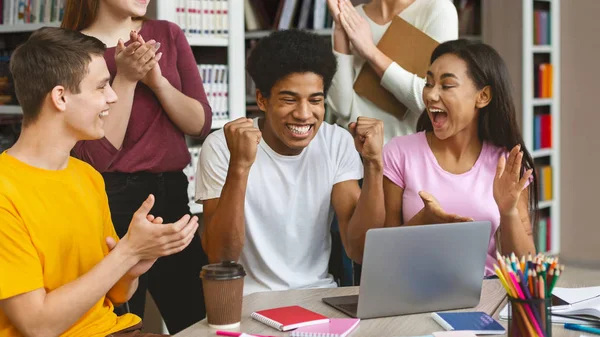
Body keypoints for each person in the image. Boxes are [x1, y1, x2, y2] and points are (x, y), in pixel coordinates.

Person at [0, 27, 199, 337]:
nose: (113, 96)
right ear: (61, 97)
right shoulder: (5, 191)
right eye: (102, 86)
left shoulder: (87, 176)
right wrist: (126, 253)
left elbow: (118, 296)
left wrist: (136, 262)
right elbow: (37, 326)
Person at [195, 29, 385, 295]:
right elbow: (221, 257)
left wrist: (374, 164)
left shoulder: (336, 142)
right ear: (262, 100)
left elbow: (360, 250)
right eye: (289, 99)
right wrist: (239, 166)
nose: (304, 114)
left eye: (315, 100)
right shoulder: (222, 146)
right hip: (248, 301)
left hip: (318, 296)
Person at [61, 0, 212, 332]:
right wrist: (126, 79)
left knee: (199, 321)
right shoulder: (69, 47)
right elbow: (97, 158)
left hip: (173, 197)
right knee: (120, 324)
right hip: (110, 202)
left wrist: (157, 82)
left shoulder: (167, 35)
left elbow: (200, 123)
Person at [382, 39, 538, 277]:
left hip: (484, 291)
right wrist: (423, 221)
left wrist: (508, 212)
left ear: (483, 96)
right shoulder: (398, 153)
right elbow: (384, 255)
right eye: (428, 83)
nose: (431, 95)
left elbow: (526, 269)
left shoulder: (507, 163)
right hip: (412, 289)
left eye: (446, 86)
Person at [326, 0, 459, 143]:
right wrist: (340, 28)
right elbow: (342, 109)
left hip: (406, 155)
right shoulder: (352, 15)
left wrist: (370, 52)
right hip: (352, 151)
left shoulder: (438, 10)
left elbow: (433, 103)